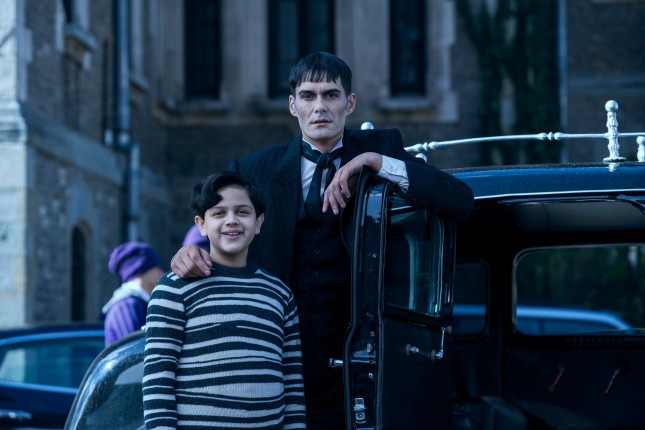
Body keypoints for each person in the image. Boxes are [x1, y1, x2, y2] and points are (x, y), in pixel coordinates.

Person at [170, 52, 474, 429]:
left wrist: (375, 162)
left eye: (331, 95)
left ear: (350, 103)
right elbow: (225, 227)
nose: (320, 107)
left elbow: (460, 200)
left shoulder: (383, 147)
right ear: (292, 105)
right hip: (278, 353)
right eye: (308, 96)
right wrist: (192, 252)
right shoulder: (253, 169)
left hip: (362, 354)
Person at [143, 171, 306, 430]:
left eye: (242, 212)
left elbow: (292, 380)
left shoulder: (279, 293)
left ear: (259, 222)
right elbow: (158, 376)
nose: (231, 220)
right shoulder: (174, 288)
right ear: (201, 225)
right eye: (219, 213)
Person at [102, 241, 164, 347]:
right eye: (157, 268)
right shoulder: (125, 306)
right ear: (142, 269)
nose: (161, 273)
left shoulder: (138, 303)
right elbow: (135, 349)